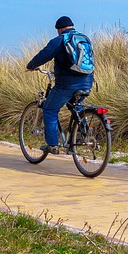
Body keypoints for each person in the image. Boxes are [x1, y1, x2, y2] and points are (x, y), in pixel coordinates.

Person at [25, 16, 94, 153]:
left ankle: (52, 145)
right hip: (87, 81)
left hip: (67, 84)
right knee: (76, 106)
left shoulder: (59, 40)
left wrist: (31, 65)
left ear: (59, 29)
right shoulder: (84, 39)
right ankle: (84, 135)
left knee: (49, 110)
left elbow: (44, 55)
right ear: (72, 26)